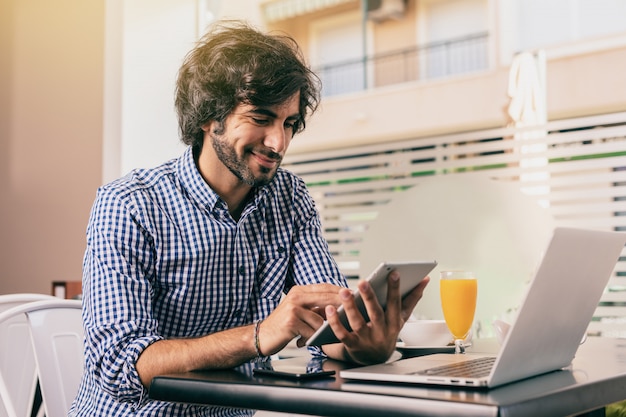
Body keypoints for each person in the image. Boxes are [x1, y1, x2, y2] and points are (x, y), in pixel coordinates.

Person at [69, 20, 429, 417]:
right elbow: (119, 365)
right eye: (260, 118)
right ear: (210, 117)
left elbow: (327, 328)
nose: (279, 142)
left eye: (289, 124)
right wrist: (260, 335)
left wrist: (366, 344)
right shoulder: (129, 205)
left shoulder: (289, 198)